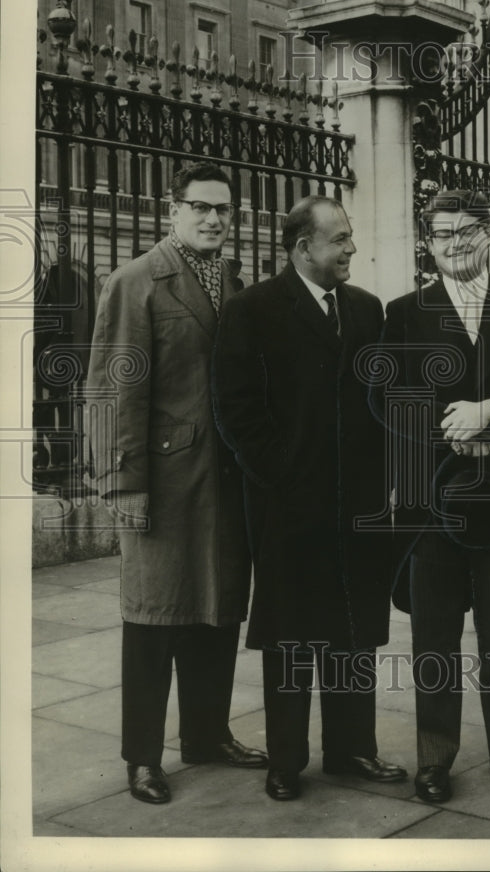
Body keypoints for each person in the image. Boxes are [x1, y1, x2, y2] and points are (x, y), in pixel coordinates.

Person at [212, 195, 406, 802]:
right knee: (293, 635)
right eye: (340, 238)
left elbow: (384, 402)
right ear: (303, 248)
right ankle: (287, 761)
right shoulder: (253, 310)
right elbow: (236, 409)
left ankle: (352, 750)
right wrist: (282, 476)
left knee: (352, 629)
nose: (351, 248)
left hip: (358, 506)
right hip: (287, 507)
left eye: (350, 237)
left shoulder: (368, 310)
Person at [86, 161, 267, 806]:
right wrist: (122, 484)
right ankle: (142, 758)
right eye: (201, 207)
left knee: (215, 610)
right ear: (173, 211)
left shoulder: (232, 281)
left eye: (224, 209)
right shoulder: (136, 281)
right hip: (161, 483)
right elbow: (112, 389)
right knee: (154, 619)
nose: (215, 219)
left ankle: (207, 735)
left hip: (222, 482)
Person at [371, 189, 490, 803]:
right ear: (428, 242)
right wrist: (454, 431)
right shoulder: (404, 312)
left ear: (489, 237)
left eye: (469, 231)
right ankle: (434, 759)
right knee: (433, 635)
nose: (457, 243)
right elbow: (387, 398)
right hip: (434, 499)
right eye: (443, 232)